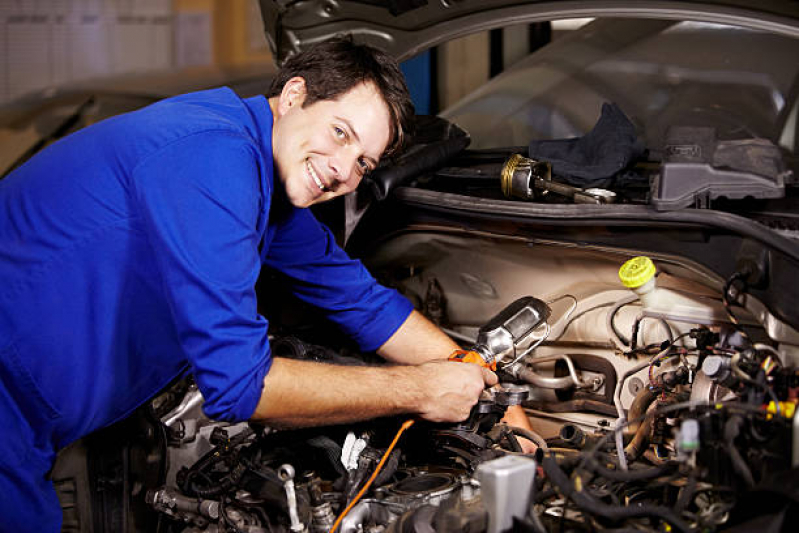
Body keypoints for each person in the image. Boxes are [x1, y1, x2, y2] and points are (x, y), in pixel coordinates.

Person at [0, 38, 530, 531]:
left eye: (363, 162)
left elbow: (361, 301)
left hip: (31, 423)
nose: (342, 171)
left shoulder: (263, 175)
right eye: (340, 133)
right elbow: (238, 385)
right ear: (294, 95)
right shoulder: (214, 158)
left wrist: (481, 381)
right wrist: (418, 391)